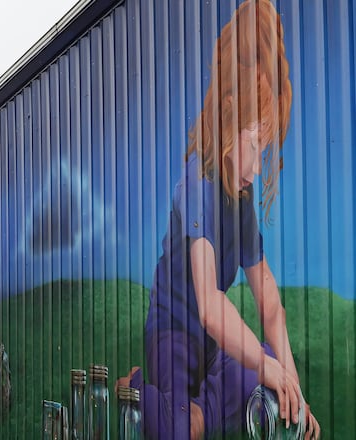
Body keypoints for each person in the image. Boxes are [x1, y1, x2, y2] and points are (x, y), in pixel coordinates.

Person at [117, 1, 320, 438]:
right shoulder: (197, 185)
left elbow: (268, 299)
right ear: (231, 130)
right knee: (181, 427)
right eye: (255, 145)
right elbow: (209, 307)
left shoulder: (241, 199)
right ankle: (137, 386)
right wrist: (266, 365)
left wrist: (295, 394)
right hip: (174, 330)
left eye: (265, 150)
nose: (259, 165)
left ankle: (198, 415)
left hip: (212, 346)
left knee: (259, 368)